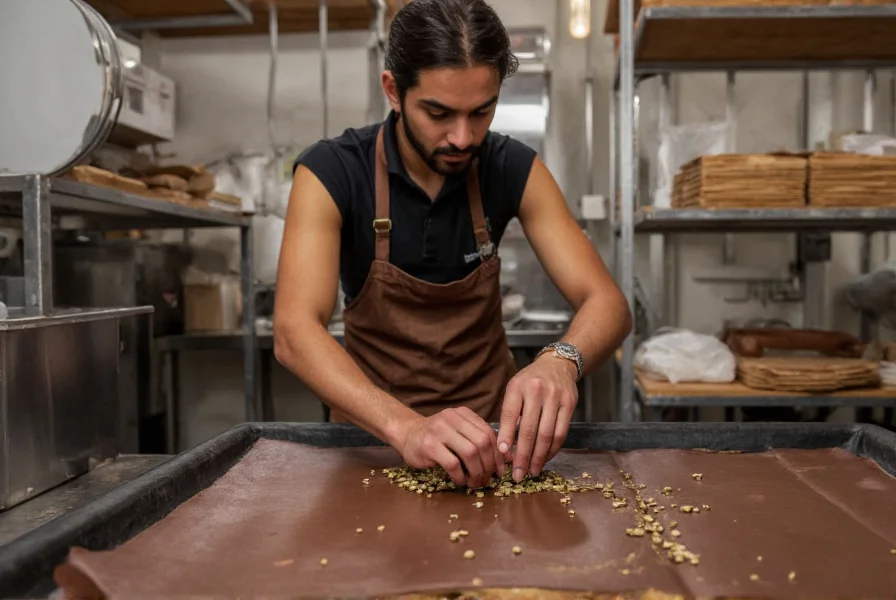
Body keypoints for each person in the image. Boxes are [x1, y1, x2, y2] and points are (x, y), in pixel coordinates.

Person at [274, 0, 631, 489]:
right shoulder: (332, 172)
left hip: (495, 447)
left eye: (481, 112)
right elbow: (294, 332)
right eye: (438, 113)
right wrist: (407, 427)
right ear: (393, 91)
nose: (462, 138)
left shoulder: (512, 168)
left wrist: (560, 360)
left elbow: (608, 303)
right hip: (373, 443)